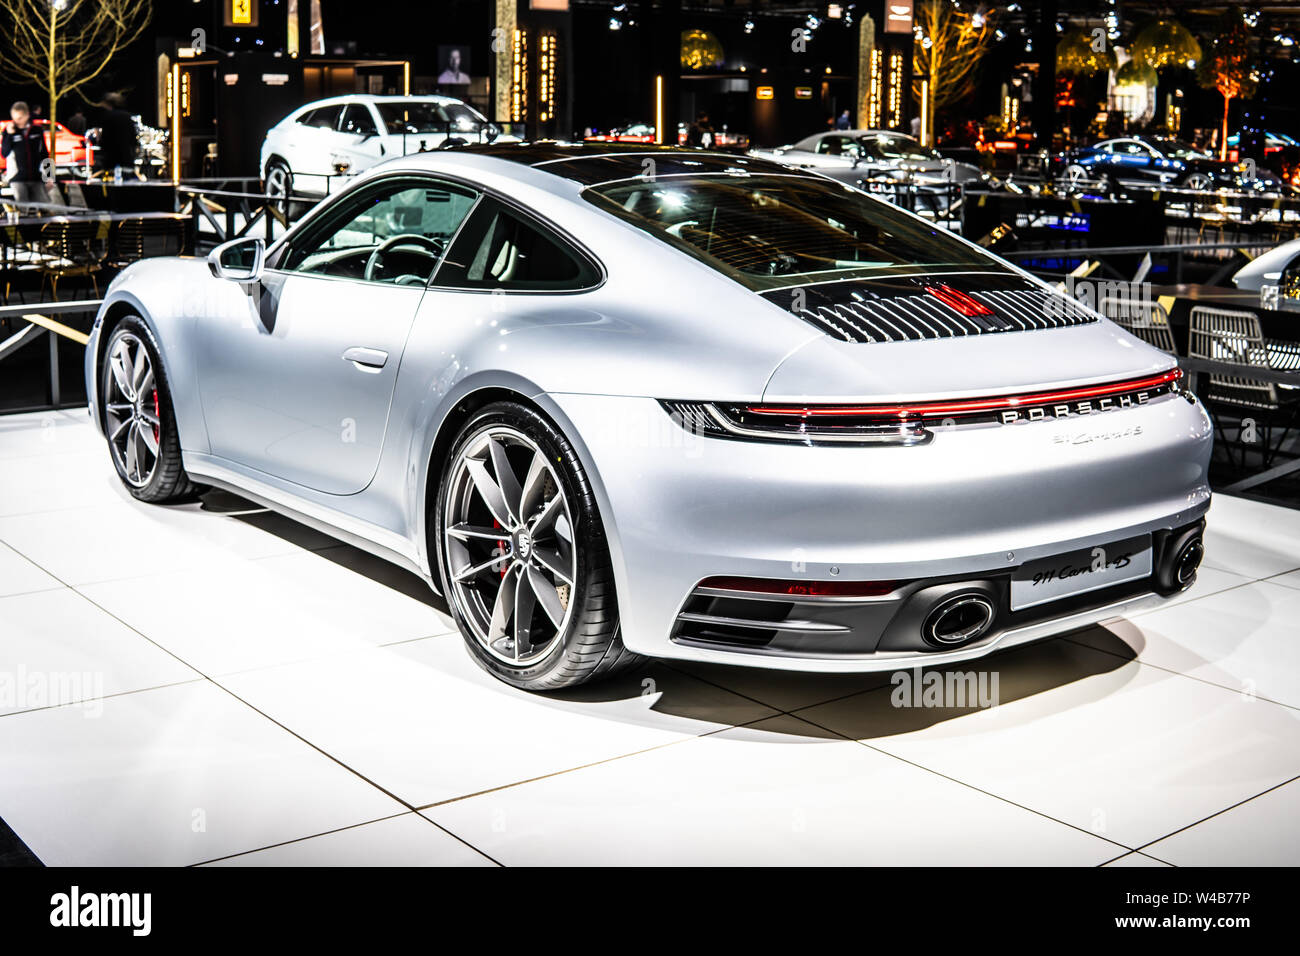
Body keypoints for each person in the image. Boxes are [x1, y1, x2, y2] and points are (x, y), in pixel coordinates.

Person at [2, 101, 52, 207]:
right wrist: (9, 136)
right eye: (14, 118)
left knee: (44, 206)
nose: (17, 121)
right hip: (17, 178)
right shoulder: (9, 131)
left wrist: (49, 176)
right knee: (23, 208)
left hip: (35, 177)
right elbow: (4, 153)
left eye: (19, 118)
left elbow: (44, 153)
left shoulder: (36, 130)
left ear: (27, 115)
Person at [94, 92, 137, 173]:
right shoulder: (128, 116)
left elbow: (105, 140)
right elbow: (133, 139)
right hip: (127, 160)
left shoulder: (107, 116)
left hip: (112, 161)